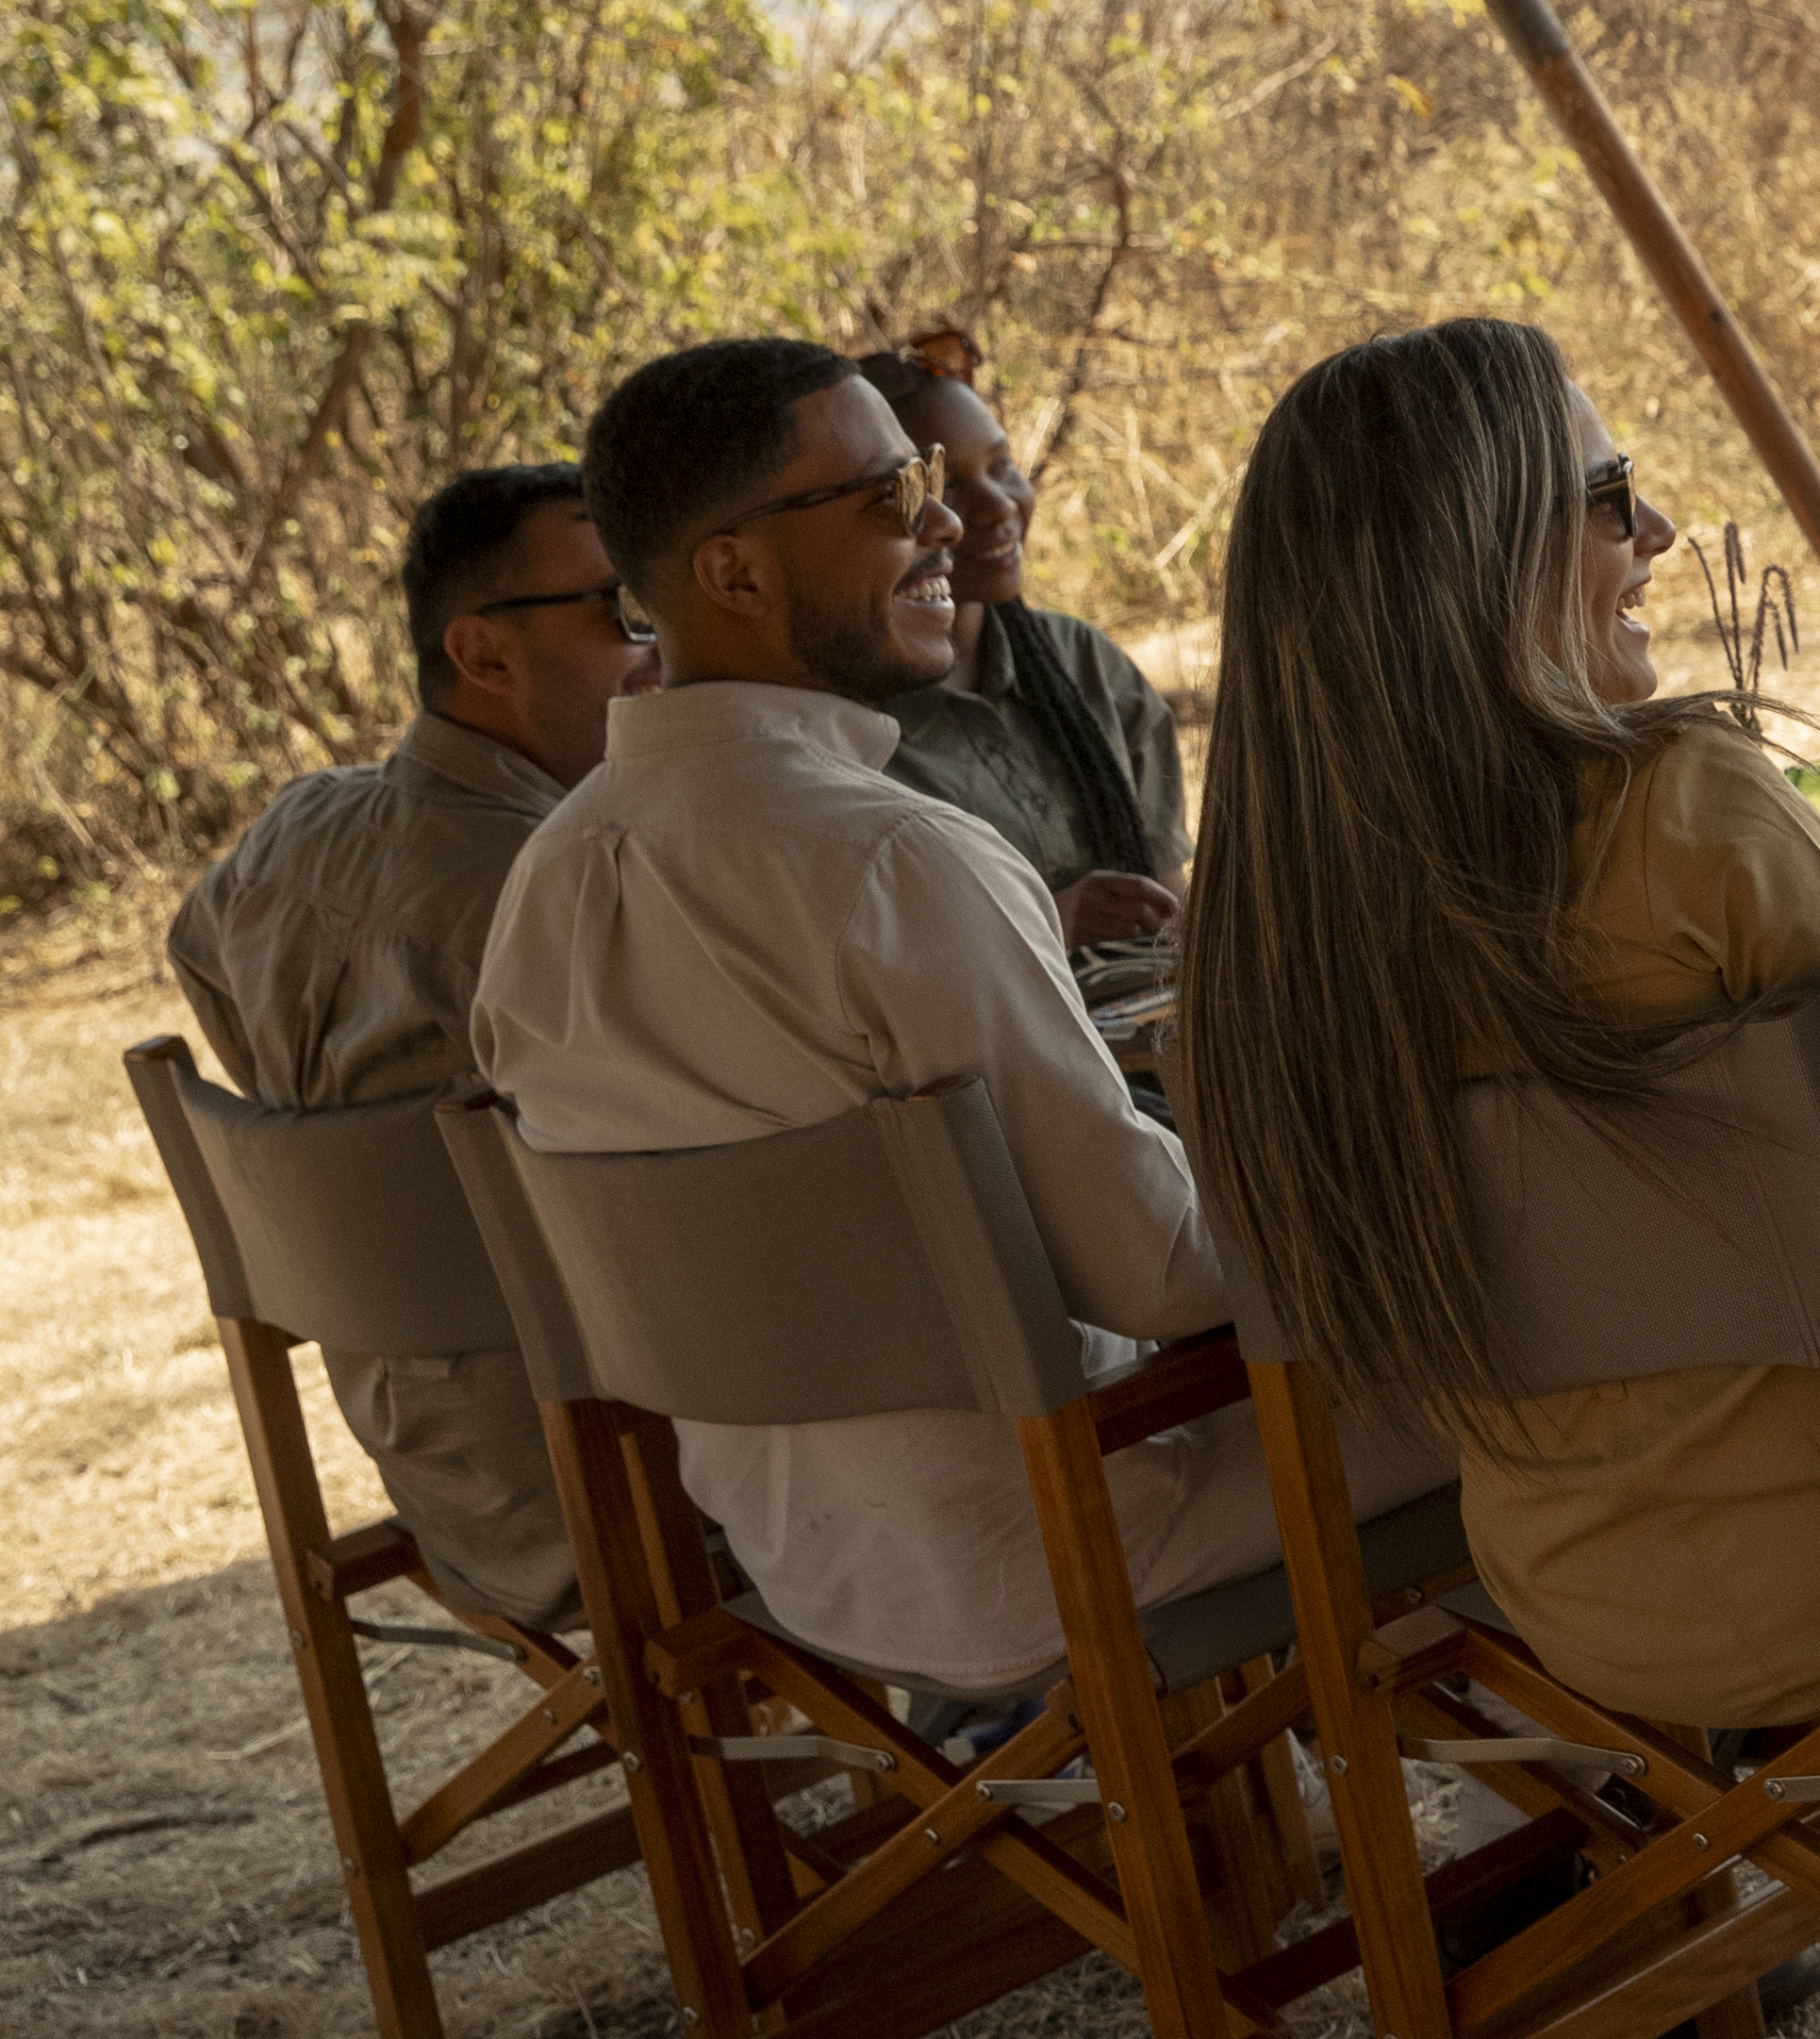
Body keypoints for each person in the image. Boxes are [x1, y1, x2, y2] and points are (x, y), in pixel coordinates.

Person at [1170, 316, 1820, 1748]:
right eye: (1611, 498)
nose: (1661, 532)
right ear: (1478, 556)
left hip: (1579, 1591)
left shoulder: (1257, 954)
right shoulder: (1683, 810)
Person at [470, 339, 1449, 1696]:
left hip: (809, 1555)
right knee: (1530, 1319)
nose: (944, 521)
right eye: (887, 498)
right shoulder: (888, 860)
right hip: (1075, 1524)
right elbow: (1158, 1270)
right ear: (735, 573)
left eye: (927, 478)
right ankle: (1562, 1823)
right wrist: (1416, 1163)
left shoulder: (545, 886)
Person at [165, 463, 658, 1629]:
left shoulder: (294, 828)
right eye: (622, 608)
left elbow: (195, 955)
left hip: (448, 1472)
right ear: (485, 654)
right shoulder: (566, 890)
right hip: (636, 1479)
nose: (659, 639)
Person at [851, 340, 1186, 953]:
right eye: (947, 487)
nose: (1000, 506)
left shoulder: (1082, 663)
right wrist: (1046, 923)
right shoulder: (848, 735)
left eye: (1002, 466)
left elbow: (1169, 917)